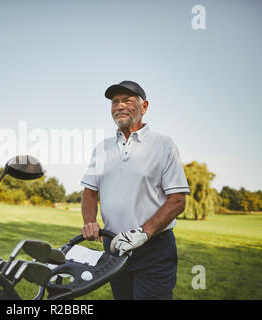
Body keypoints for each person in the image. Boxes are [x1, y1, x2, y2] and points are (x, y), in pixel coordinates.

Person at [80, 80, 190, 300]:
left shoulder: (163, 145)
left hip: (153, 249)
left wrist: (144, 232)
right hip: (114, 247)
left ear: (144, 106)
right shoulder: (102, 148)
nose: (119, 106)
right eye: (115, 102)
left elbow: (177, 200)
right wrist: (89, 220)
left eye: (127, 101)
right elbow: (90, 191)